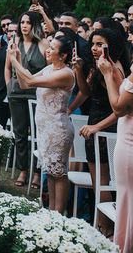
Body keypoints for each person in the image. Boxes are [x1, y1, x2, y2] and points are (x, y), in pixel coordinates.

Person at [9, 35, 75, 213]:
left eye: (52, 48)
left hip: (58, 130)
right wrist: (20, 59)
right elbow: (24, 84)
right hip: (45, 130)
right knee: (51, 174)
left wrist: (14, 61)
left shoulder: (66, 74)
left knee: (59, 173)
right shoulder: (49, 69)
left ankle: (58, 215)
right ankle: (51, 211)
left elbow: (30, 81)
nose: (48, 49)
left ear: (63, 55)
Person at [69, 28, 122, 234]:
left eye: (100, 44)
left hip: (105, 129)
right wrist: (78, 70)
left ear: (111, 46)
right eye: (93, 43)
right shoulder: (97, 66)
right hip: (93, 126)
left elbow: (121, 109)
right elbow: (86, 91)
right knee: (97, 183)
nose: (94, 48)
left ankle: (104, 230)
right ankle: (101, 227)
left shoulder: (114, 69)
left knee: (102, 183)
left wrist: (97, 127)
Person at [6, 10, 49, 189]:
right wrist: (9, 86)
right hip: (16, 93)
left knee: (38, 134)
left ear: (34, 25)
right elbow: (8, 67)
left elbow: (50, 69)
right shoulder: (14, 42)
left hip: (36, 93)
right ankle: (23, 170)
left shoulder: (44, 44)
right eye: (22, 22)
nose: (24, 25)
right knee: (20, 133)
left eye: (28, 22)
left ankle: (37, 172)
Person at [98, 46, 133, 252]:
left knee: (128, 199)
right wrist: (113, 71)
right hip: (126, 140)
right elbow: (126, 94)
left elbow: (119, 108)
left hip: (129, 145)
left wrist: (107, 75)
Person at [0, 22, 18, 127]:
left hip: (18, 97)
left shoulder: (24, 51)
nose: (13, 33)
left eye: (15, 31)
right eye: (10, 31)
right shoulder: (0, 51)